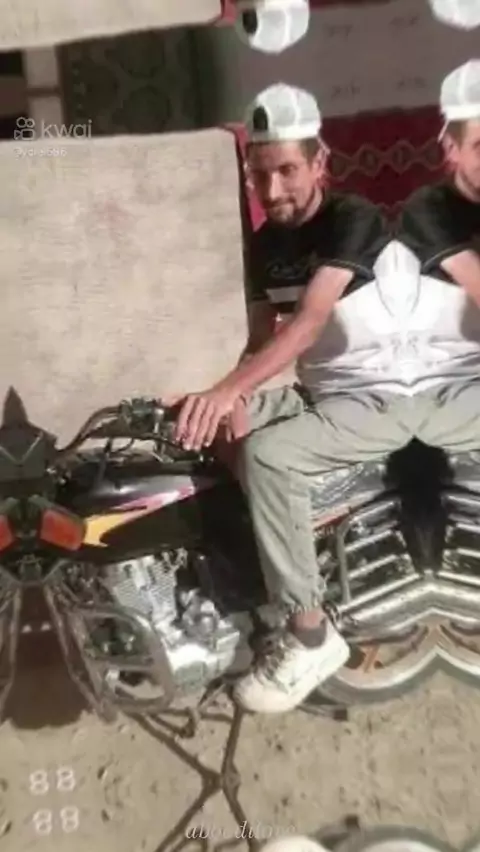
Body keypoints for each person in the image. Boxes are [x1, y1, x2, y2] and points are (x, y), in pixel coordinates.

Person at [167, 83, 444, 714]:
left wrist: (230, 389)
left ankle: (310, 635)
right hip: (324, 398)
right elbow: (261, 342)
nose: (272, 191)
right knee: (212, 424)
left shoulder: (354, 220)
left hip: (392, 399)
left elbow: (309, 323)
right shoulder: (267, 245)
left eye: (287, 171)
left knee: (268, 456)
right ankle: (279, 572)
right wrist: (210, 398)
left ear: (321, 163)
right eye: (259, 176)